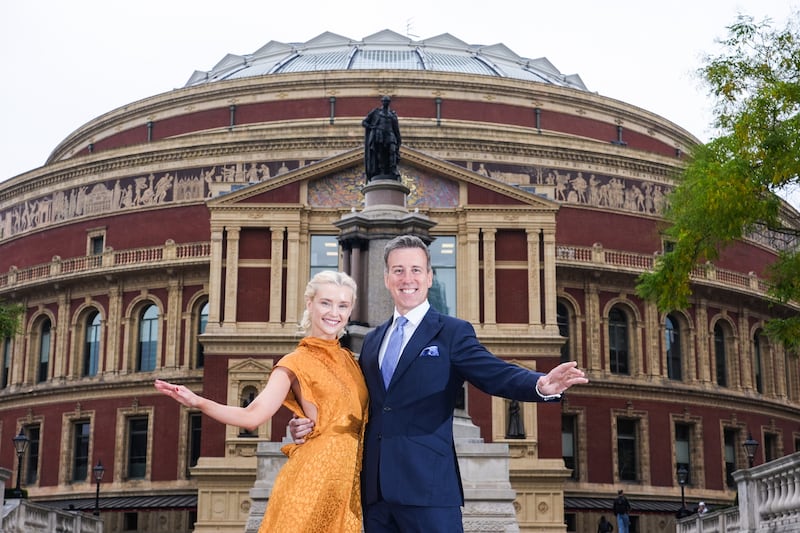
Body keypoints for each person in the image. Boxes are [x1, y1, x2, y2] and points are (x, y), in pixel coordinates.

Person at [291, 234, 588, 532]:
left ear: (430, 277)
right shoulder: (372, 341)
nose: (407, 278)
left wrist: (541, 384)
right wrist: (310, 423)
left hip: (429, 490)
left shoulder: (452, 332)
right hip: (375, 493)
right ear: (386, 278)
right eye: (398, 270)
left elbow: (493, 373)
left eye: (416, 270)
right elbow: (354, 405)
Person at [155, 271, 367, 533]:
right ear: (309, 304)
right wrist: (197, 401)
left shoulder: (352, 362)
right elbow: (252, 415)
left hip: (350, 481)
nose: (334, 312)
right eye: (326, 302)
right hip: (313, 479)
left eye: (343, 305)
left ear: (350, 311)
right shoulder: (294, 362)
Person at [362, 95, 402, 181]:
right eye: (384, 101)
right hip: (379, 135)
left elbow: (396, 129)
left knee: (392, 151)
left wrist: (398, 140)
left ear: (389, 103)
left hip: (390, 135)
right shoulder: (376, 112)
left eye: (387, 101)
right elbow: (364, 122)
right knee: (381, 153)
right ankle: (382, 170)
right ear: (382, 102)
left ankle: (393, 169)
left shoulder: (392, 114)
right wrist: (371, 127)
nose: (386, 103)